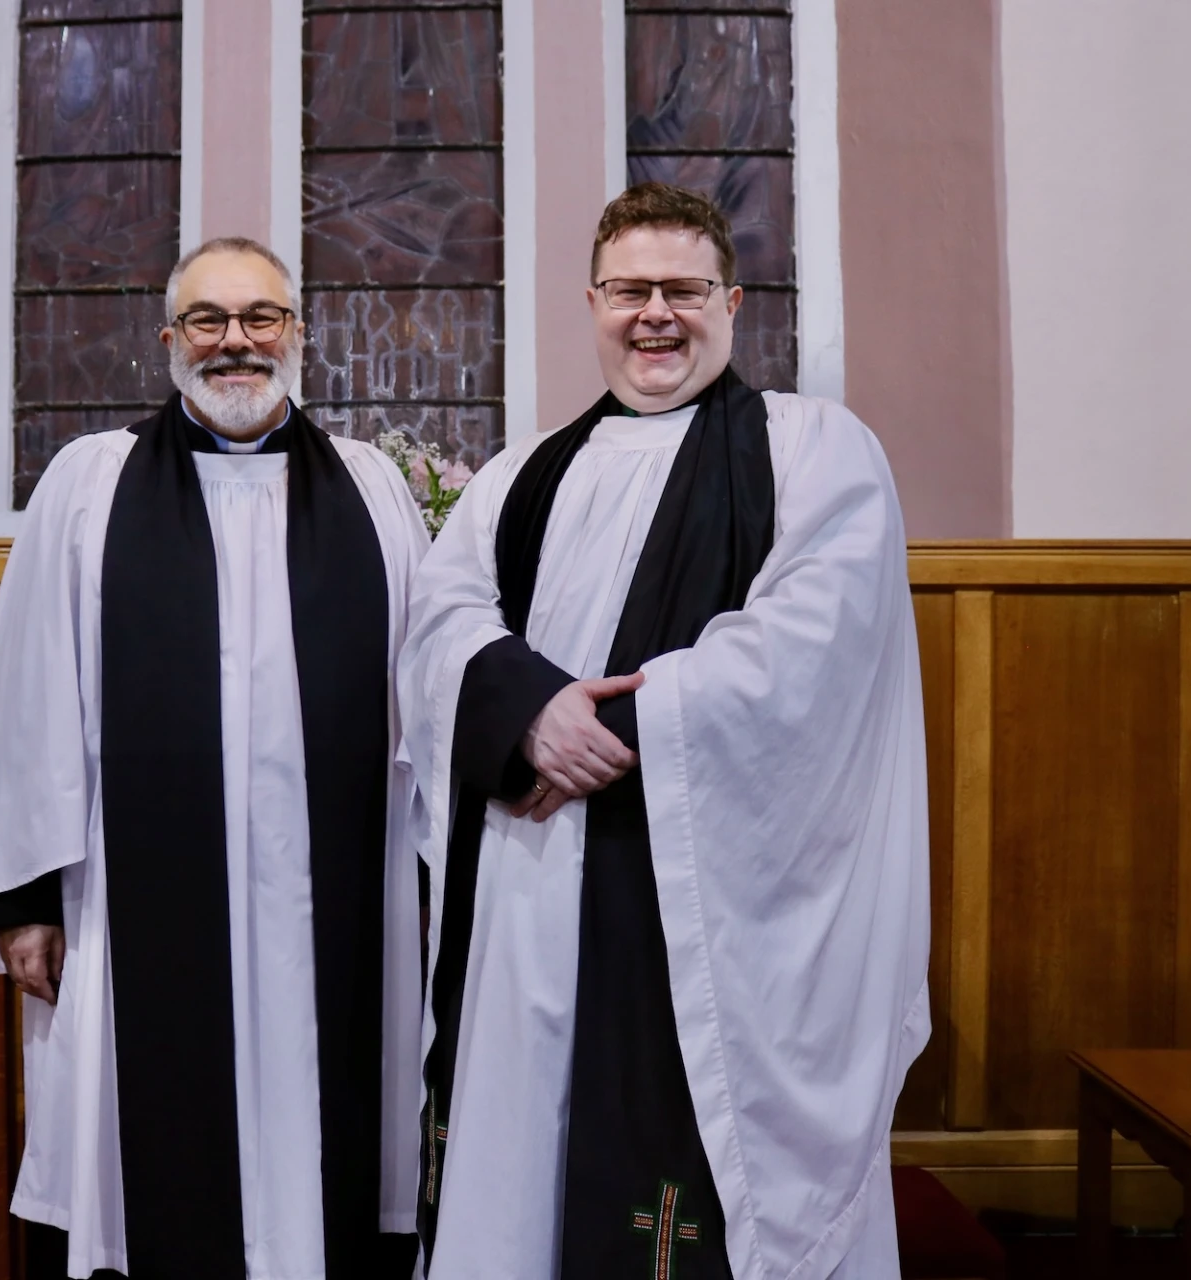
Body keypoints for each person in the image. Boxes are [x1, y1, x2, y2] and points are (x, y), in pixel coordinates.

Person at [397, 184, 930, 1279]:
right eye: (630, 290)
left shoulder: (814, 451)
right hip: (534, 884)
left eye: (683, 290)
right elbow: (442, 618)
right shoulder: (523, 474)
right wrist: (522, 706)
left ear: (733, 302)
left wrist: (614, 724)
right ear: (592, 303)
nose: (656, 315)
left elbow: (814, 645)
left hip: (705, 900)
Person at [0, 236, 429, 1280]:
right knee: (147, 1143)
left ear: (299, 336)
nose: (236, 342)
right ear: (170, 340)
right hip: (135, 899)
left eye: (262, 318)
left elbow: (422, 702)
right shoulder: (91, 486)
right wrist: (25, 895)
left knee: (332, 1117)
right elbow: (31, 691)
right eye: (208, 320)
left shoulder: (374, 490)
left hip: (334, 906)